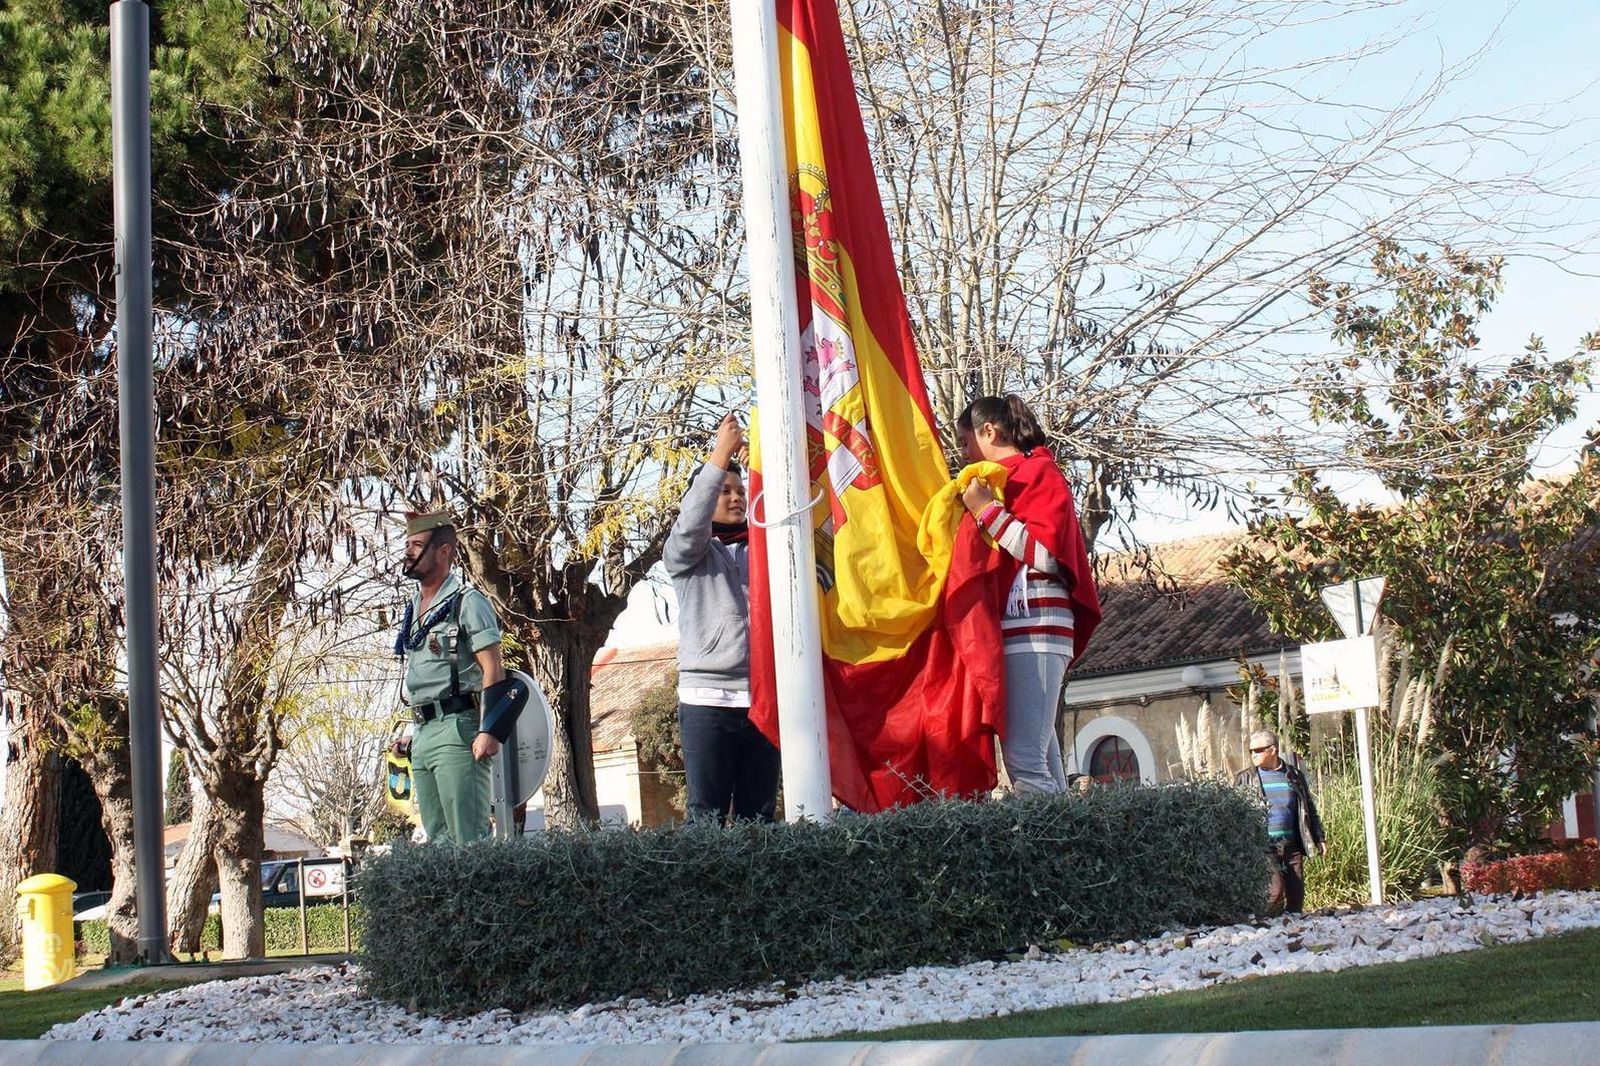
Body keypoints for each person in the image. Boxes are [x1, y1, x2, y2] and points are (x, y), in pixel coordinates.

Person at [956, 394, 1101, 795]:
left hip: (1036, 626)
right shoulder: (1005, 478)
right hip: (1019, 627)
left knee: (1025, 761)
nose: (965, 456)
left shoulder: (1038, 473)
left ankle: (1045, 854)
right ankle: (1066, 849)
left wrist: (986, 510)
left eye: (966, 443)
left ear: (989, 431)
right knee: (1044, 761)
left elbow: (1048, 555)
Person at [664, 413, 781, 824]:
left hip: (764, 697)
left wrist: (763, 468)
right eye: (723, 490)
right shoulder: (686, 555)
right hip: (707, 702)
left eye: (740, 489)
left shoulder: (767, 550)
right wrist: (720, 457)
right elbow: (689, 527)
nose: (736, 498)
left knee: (760, 818)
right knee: (706, 818)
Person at [394, 511, 506, 844]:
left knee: (467, 838)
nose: (408, 552)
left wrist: (490, 730)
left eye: (417, 544)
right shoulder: (412, 609)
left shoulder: (466, 603)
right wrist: (413, 735)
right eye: (407, 545)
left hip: (459, 728)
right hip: (424, 732)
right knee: (438, 841)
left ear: (444, 551)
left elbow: (493, 669)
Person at [1234, 728, 1327, 914]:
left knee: (1296, 896)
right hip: (1264, 845)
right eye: (1251, 751)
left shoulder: (1293, 775)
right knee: (1275, 892)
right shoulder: (1245, 778)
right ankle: (1265, 926)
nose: (1253, 754)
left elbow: (1308, 808)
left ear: (1273, 750)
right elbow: (1236, 813)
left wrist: (1319, 837)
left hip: (1291, 844)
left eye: (1258, 750)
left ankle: (1291, 933)